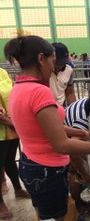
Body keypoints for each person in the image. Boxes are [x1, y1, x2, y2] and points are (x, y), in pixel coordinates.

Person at [4, 35, 90, 221]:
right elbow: (61, 144)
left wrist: (80, 132)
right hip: (47, 170)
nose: (54, 67)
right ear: (41, 58)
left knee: (46, 215)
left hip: (31, 164)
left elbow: (43, 127)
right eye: (53, 61)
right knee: (58, 217)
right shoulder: (39, 92)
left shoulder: (18, 88)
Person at [0, 68, 30, 220]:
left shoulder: (2, 72)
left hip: (11, 126)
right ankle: (0, 203)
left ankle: (18, 189)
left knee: (10, 160)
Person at [64, 88, 90, 215]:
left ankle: (79, 199)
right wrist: (84, 171)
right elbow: (73, 151)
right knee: (76, 172)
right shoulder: (83, 120)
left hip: (69, 134)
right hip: (63, 140)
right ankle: (77, 202)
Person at [49, 42, 76, 107]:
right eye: (57, 63)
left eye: (63, 62)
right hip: (46, 108)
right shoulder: (43, 72)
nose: (60, 66)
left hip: (60, 108)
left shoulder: (68, 70)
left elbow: (70, 93)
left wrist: (73, 109)